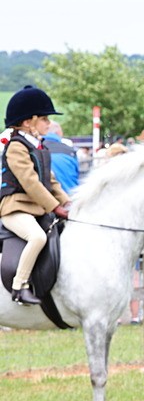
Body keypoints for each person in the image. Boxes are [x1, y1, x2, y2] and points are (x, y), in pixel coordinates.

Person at [0, 86, 71, 305]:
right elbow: (30, 182)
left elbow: (50, 180)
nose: (48, 123)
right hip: (15, 208)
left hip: (34, 209)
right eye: (45, 119)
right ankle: (19, 287)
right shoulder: (16, 147)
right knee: (37, 237)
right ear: (29, 122)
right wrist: (54, 207)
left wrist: (67, 201)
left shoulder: (38, 147)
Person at [43, 121, 80, 194]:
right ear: (58, 133)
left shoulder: (35, 149)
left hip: (47, 199)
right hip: (70, 196)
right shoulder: (70, 151)